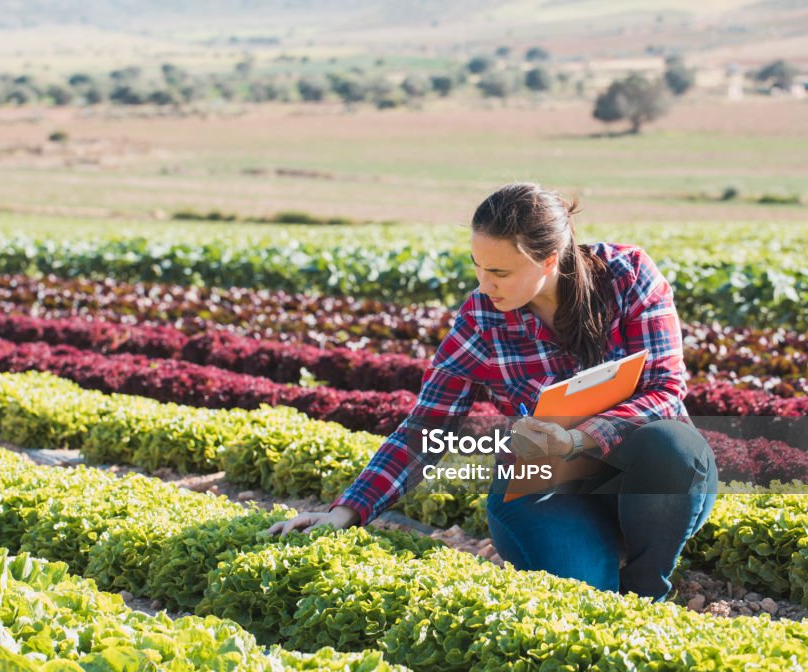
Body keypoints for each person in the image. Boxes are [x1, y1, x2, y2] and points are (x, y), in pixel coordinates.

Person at [268, 182, 718, 603]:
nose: (485, 285)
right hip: (542, 486)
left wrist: (580, 438)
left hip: (648, 476)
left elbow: (664, 390)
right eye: (478, 267)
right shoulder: (482, 319)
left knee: (672, 445)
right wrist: (347, 511)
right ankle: (593, 553)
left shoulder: (627, 277)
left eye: (500, 271)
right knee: (584, 591)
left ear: (549, 259)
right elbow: (427, 427)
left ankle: (645, 592)